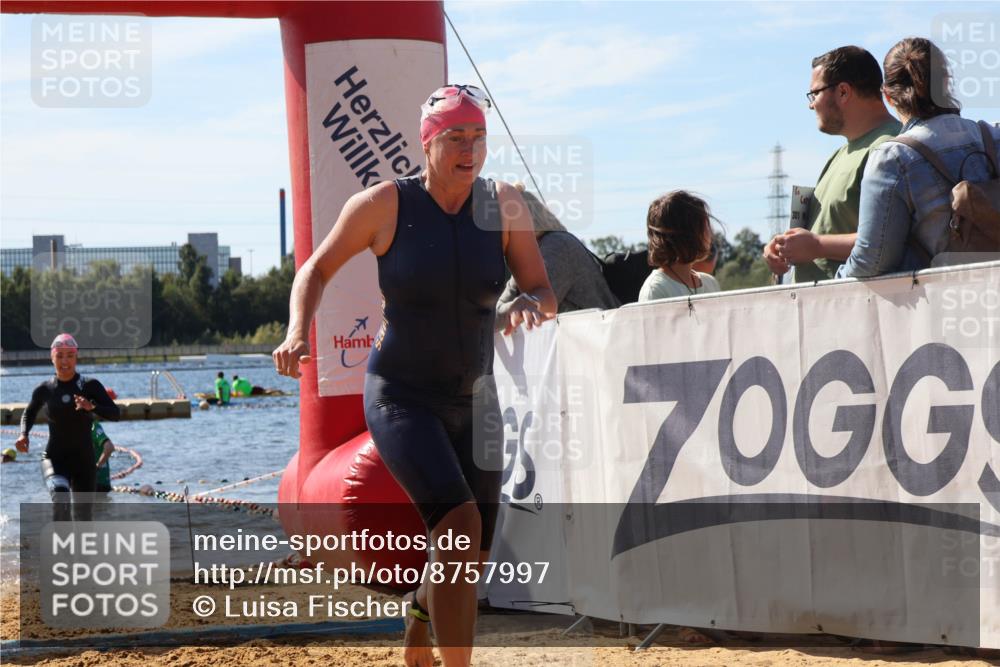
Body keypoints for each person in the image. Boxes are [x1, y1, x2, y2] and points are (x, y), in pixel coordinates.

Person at [272, 84, 555, 667]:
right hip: (400, 395)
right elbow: (316, 268)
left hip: (475, 398)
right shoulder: (383, 206)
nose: (469, 149)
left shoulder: (503, 206)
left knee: (469, 552)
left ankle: (420, 609)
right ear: (427, 142)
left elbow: (542, 288)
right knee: (457, 524)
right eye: (455, 137)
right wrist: (298, 330)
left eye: (478, 138)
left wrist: (530, 304)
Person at [838, 37, 1000, 277]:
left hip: (948, 301)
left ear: (888, 97)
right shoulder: (993, 136)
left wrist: (835, 279)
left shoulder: (892, 158)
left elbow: (872, 260)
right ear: (946, 83)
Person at [763, 46, 901, 281]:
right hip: (826, 309)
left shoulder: (891, 148)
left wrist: (817, 245)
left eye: (814, 94)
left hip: (859, 309)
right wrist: (785, 247)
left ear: (844, 92)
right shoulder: (838, 155)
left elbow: (891, 241)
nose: (811, 104)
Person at [15, 333, 120, 521]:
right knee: (60, 499)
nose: (65, 361)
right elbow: (29, 413)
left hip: (84, 462)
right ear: (52, 357)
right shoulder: (44, 389)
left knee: (83, 519)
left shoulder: (90, 386)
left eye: (69, 355)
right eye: (60, 356)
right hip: (54, 458)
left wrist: (92, 406)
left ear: (76, 357)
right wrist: (24, 434)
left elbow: (115, 413)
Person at [495, 185, 618, 325]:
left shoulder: (557, 247)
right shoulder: (531, 255)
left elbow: (530, 316)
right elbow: (499, 309)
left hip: (598, 340)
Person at [638, 191, 722, 301]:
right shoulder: (656, 289)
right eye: (705, 225)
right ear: (689, 233)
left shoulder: (710, 283)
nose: (710, 232)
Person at [91, 419, 115, 493]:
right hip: (102, 482)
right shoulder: (94, 425)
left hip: (94, 482)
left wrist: (97, 466)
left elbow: (109, 447)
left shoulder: (93, 427)